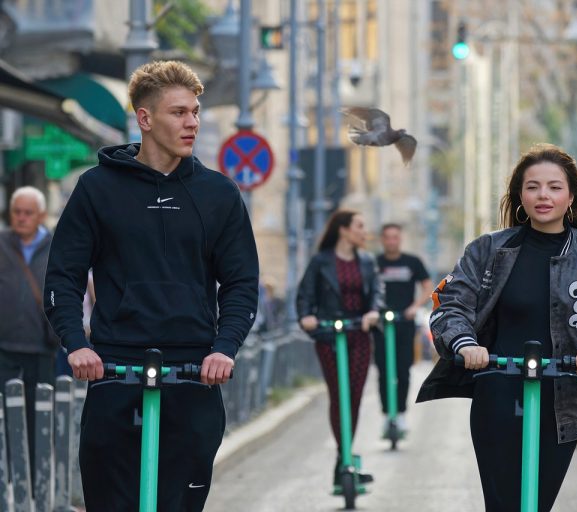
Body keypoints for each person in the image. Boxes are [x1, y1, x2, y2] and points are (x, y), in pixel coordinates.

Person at [43, 60, 260, 511]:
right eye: (178, 112)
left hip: (194, 371)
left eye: (195, 112)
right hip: (114, 368)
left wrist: (225, 348)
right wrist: (76, 343)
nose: (192, 123)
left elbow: (241, 283)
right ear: (144, 118)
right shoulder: (96, 188)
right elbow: (63, 276)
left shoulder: (219, 194)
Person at [416, 143, 577, 511]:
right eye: (533, 187)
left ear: (571, 196)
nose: (543, 195)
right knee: (502, 505)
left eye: (554, 187)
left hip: (563, 399)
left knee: (537, 504)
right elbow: (449, 304)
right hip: (497, 394)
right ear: (520, 195)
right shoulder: (487, 250)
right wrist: (464, 343)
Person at [296, 209, 383, 486]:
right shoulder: (321, 261)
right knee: (339, 395)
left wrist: (374, 312)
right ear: (343, 230)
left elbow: (377, 292)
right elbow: (305, 294)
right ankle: (343, 456)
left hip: (359, 334)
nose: (364, 231)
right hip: (329, 335)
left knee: (354, 397)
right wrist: (306, 317)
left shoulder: (367, 261)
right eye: (359, 226)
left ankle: (343, 458)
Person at [0, 186, 58, 472]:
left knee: (39, 415)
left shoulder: (56, 247)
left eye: (28, 213)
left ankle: (37, 477)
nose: (21, 218)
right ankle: (8, 474)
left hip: (42, 346)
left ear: (41, 215)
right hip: (4, 346)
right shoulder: (2, 244)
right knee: (4, 416)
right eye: (17, 212)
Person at [373, 223, 432, 434]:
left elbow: (428, 287)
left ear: (400, 239)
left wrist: (414, 307)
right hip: (380, 326)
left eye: (395, 237)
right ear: (382, 240)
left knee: (403, 370)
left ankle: (400, 414)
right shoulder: (374, 263)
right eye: (387, 237)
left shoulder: (412, 262)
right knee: (383, 371)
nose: (391, 241)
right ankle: (386, 415)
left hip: (405, 324)